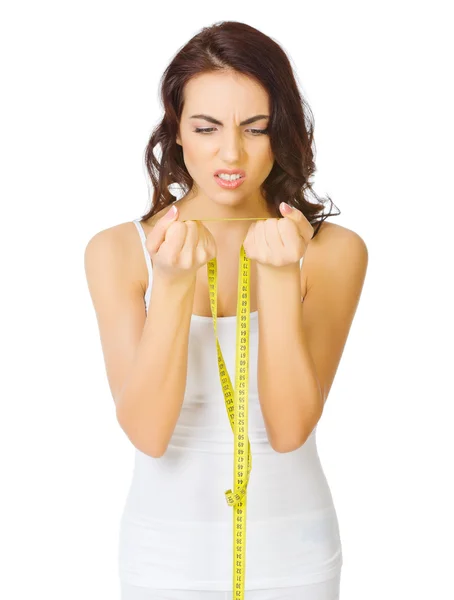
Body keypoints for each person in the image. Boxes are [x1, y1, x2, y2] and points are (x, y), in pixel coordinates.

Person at [84, 20, 368, 600]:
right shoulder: (119, 252)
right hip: (163, 555)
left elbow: (289, 430)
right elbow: (148, 433)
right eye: (206, 127)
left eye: (255, 128)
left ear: (281, 131)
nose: (231, 152)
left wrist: (282, 281)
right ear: (177, 133)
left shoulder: (333, 252)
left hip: (294, 556)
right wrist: (169, 287)